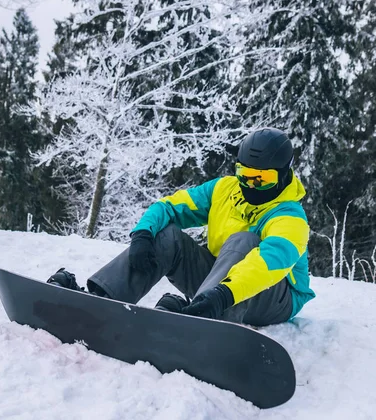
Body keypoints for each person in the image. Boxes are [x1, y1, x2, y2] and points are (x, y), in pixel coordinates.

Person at [48, 127, 315, 326]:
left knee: (243, 240)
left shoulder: (290, 217)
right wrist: (143, 234)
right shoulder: (225, 189)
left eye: (263, 179)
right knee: (167, 234)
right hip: (218, 287)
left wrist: (223, 294)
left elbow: (268, 264)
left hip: (273, 296)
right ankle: (104, 298)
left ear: (284, 174)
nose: (251, 185)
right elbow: (169, 207)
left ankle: (198, 322)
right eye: (245, 176)